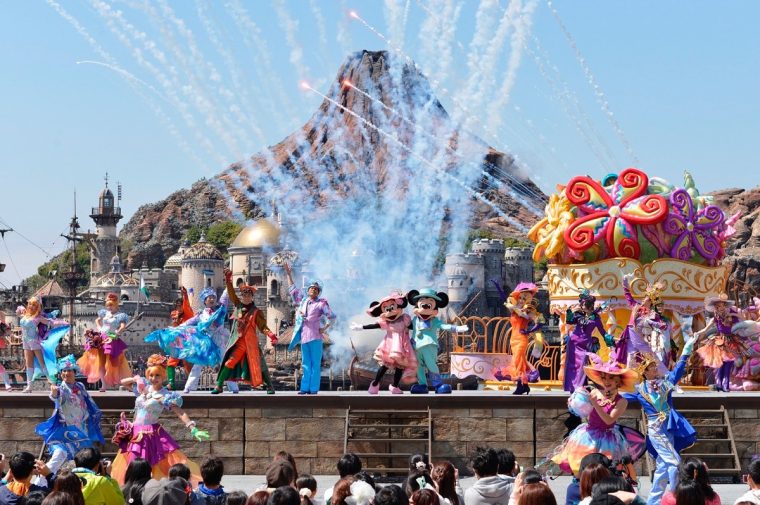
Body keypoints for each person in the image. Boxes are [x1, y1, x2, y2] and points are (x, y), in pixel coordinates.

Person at [622, 336, 698, 505]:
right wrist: (603, 394)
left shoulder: (665, 384)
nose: (655, 368)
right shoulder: (639, 390)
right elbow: (621, 397)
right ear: (645, 372)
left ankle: (653, 502)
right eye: (651, 367)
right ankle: (676, 497)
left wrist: (686, 351)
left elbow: (678, 371)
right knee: (675, 462)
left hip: (669, 427)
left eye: (655, 365)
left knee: (663, 467)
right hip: (656, 429)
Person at [111, 354, 209, 485]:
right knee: (131, 466)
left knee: (153, 465)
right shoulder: (142, 388)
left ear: (163, 376)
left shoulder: (166, 395)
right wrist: (136, 378)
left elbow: (179, 412)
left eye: (157, 375)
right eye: (151, 375)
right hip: (134, 433)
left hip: (150, 434)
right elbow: (123, 382)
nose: (153, 378)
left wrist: (193, 428)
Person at [549, 355, 646, 476]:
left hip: (607, 439)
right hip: (588, 435)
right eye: (604, 378)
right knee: (582, 467)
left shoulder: (622, 401)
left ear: (618, 382)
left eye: (611, 378)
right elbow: (583, 410)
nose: (606, 381)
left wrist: (595, 404)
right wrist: (575, 403)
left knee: (604, 470)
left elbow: (609, 420)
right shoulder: (595, 392)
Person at [145, 287, 227, 394]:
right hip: (204, 342)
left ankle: (233, 387)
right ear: (205, 301)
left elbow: (225, 298)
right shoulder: (201, 315)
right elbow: (187, 323)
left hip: (218, 340)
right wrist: (174, 329)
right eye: (209, 297)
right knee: (197, 365)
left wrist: (228, 285)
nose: (211, 299)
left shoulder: (220, 311)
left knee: (225, 363)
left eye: (213, 297)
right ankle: (188, 387)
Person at [35, 355, 105, 476]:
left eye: (69, 370)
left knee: (85, 457)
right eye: (64, 371)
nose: (66, 373)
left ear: (75, 372)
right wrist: (54, 393)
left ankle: (85, 481)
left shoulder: (80, 387)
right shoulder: (60, 388)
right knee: (59, 455)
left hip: (81, 429)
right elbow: (55, 397)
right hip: (65, 430)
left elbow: (87, 403)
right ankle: (41, 481)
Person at [212, 268, 278, 394]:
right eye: (244, 295)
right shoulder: (237, 306)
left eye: (248, 295)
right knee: (228, 362)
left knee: (260, 364)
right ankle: (219, 386)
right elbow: (232, 295)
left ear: (252, 297)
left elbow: (262, 326)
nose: (246, 297)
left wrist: (270, 334)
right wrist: (228, 281)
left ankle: (270, 386)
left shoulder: (256, 312)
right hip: (238, 342)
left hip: (251, 343)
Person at [285, 263, 336, 395]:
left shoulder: (321, 303)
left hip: (315, 337)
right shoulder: (303, 301)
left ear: (318, 292)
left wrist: (324, 328)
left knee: (315, 365)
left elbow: (332, 316)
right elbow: (292, 290)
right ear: (307, 290)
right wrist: (289, 274)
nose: (313, 290)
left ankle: (313, 389)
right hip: (304, 337)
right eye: (311, 288)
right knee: (305, 364)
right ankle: (304, 388)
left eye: (316, 289)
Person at [612, 275, 670, 373]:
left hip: (639, 338)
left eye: (645, 298)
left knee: (651, 358)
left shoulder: (652, 314)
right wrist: (625, 283)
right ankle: (630, 383)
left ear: (650, 301)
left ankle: (667, 375)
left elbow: (661, 324)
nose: (643, 299)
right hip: (630, 336)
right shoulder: (636, 306)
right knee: (630, 360)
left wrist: (662, 325)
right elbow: (628, 296)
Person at [77, 293, 131, 391]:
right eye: (108, 305)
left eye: (111, 305)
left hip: (112, 339)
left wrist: (117, 332)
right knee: (101, 362)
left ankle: (118, 382)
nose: (109, 307)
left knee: (113, 362)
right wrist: (99, 328)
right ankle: (103, 385)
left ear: (116, 304)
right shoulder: (104, 313)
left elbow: (123, 326)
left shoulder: (120, 315)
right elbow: (97, 320)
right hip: (102, 338)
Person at [563, 291, 614, 393]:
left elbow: (603, 332)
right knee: (572, 366)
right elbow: (570, 322)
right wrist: (569, 313)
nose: (581, 305)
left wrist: (610, 340)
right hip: (573, 343)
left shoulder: (596, 318)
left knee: (582, 366)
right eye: (581, 303)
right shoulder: (578, 315)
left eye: (583, 303)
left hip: (585, 345)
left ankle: (580, 387)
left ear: (589, 305)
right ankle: (573, 388)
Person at [696, 293, 747, 391]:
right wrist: (697, 333)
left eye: (722, 305)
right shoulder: (716, 317)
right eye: (718, 306)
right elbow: (706, 328)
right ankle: (719, 383)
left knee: (729, 363)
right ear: (716, 308)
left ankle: (725, 384)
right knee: (721, 363)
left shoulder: (731, 314)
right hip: (720, 342)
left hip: (731, 341)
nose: (721, 307)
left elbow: (743, 321)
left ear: (725, 306)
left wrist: (734, 314)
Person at [18, 298, 69, 392]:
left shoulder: (38, 317)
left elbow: (51, 322)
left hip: (34, 341)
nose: (31, 306)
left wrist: (62, 323)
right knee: (29, 364)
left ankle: (52, 383)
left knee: (42, 363)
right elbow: (18, 313)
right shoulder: (25, 315)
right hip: (25, 342)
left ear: (37, 307)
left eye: (34, 305)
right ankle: (29, 386)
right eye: (30, 304)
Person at [504, 283, 542, 395]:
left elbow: (539, 322)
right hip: (513, 339)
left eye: (524, 298)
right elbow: (509, 304)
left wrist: (530, 331)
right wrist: (511, 305)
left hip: (521, 338)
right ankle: (525, 386)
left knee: (518, 361)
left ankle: (520, 386)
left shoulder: (528, 310)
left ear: (528, 299)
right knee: (521, 362)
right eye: (520, 297)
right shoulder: (514, 309)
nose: (521, 300)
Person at [167, 287, 194, 391]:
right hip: (178, 341)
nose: (179, 307)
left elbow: (187, 305)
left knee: (187, 364)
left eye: (180, 305)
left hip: (187, 341)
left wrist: (185, 295)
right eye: (177, 306)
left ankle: (191, 383)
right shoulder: (174, 314)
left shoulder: (188, 313)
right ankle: (171, 384)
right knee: (171, 362)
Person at [0, 312, 14, 391]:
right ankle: (7, 384)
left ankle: (7, 384)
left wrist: (14, 335)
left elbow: (9, 332)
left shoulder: (3, 325)